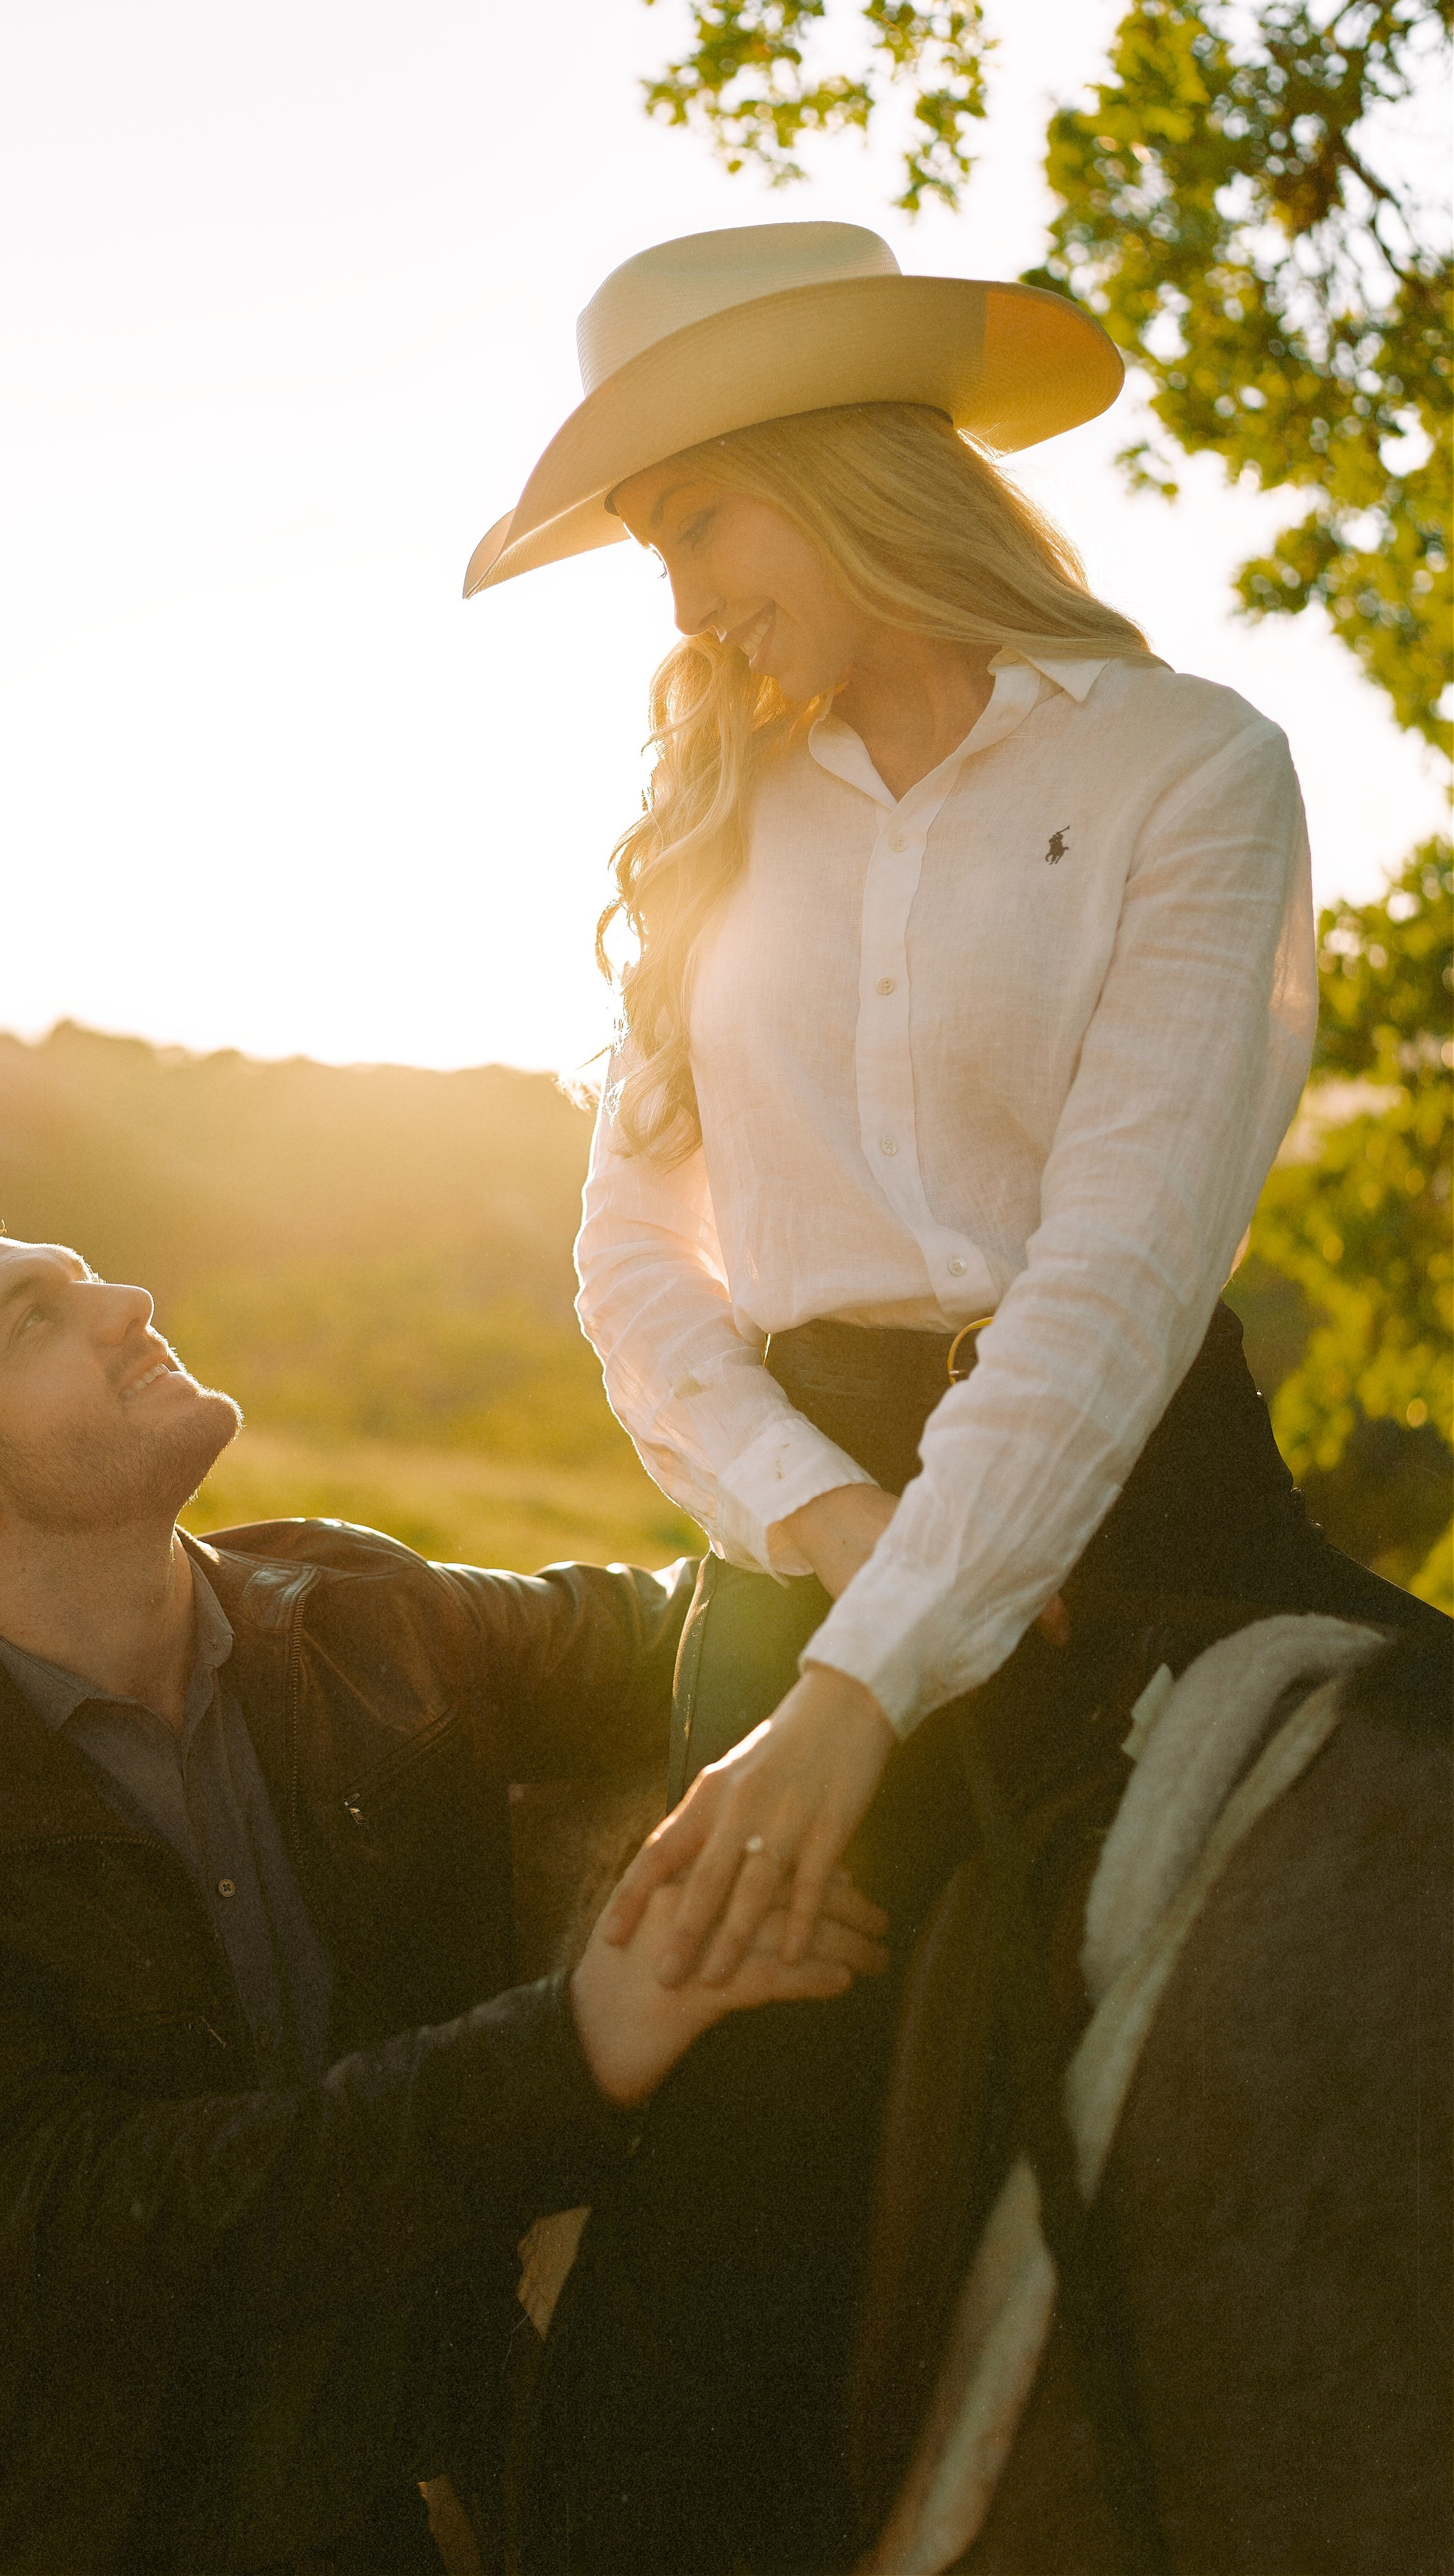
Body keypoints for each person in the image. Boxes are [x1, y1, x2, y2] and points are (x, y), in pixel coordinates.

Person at [464, 220, 1447, 2572]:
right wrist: (830, 1568)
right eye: (651, 544)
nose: (681, 593)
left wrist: (888, 1660)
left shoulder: (1192, 771)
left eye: (697, 518)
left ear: (840, 466)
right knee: (739, 2199)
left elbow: (1115, 1284)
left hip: (1143, 1526)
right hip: (801, 1554)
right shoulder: (719, 828)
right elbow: (632, 1274)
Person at [0, 1200, 886, 2576]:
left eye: (91, 1272)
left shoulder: (359, 1615)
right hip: (31, 2525)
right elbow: (114, 2236)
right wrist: (576, 2047)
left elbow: (684, 1636)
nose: (132, 1301)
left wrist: (936, 1558)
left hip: (365, 2498)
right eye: (38, 1316)